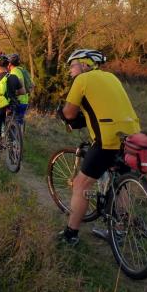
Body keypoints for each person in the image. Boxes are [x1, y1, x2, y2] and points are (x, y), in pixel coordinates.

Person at [57, 49, 141, 246]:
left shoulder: (82, 80)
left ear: (85, 65)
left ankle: (71, 235)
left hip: (107, 140)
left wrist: (63, 114)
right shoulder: (111, 77)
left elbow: (69, 113)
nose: (70, 70)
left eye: (72, 65)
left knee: (81, 185)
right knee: (121, 184)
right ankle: (120, 230)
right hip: (132, 136)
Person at [0, 54, 25, 161]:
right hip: (11, 107)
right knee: (12, 130)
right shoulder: (13, 77)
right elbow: (23, 91)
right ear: (8, 65)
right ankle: (14, 155)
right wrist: (12, 93)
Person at [8, 53, 31, 125]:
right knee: (20, 122)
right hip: (25, 100)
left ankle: (15, 136)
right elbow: (33, 85)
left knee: (14, 122)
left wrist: (13, 93)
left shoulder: (14, 72)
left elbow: (21, 86)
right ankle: (20, 136)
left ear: (10, 63)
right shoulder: (23, 70)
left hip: (18, 101)